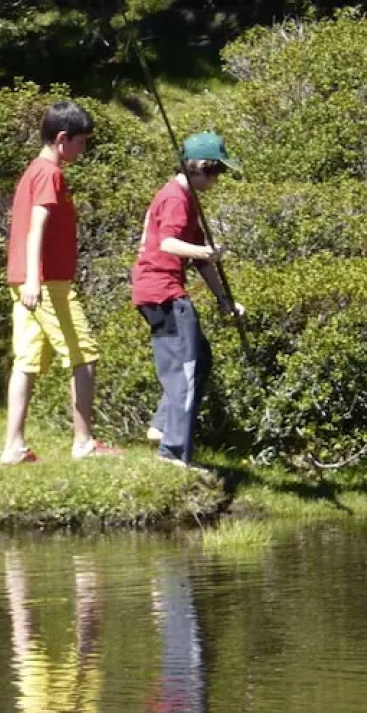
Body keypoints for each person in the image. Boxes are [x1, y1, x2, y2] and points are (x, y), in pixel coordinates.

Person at [0, 101, 121, 466]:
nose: (84, 150)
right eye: (81, 142)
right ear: (62, 139)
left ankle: (13, 447)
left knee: (27, 360)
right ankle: (83, 442)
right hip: (45, 282)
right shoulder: (48, 173)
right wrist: (37, 279)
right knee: (84, 354)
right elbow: (37, 226)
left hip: (24, 280)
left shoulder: (34, 171)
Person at [131, 132, 244, 469]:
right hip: (162, 291)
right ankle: (173, 452)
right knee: (186, 369)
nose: (218, 179)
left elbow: (202, 262)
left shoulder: (186, 199)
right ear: (199, 168)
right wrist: (205, 249)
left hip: (158, 290)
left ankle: (163, 425)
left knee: (200, 359)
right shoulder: (176, 198)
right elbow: (167, 244)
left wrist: (224, 299)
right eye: (216, 172)